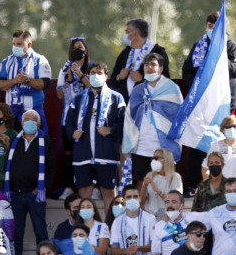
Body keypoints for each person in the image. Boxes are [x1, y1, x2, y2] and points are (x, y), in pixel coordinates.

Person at [64, 61, 126, 214]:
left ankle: (111, 230)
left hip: (106, 155)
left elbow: (124, 124)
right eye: (92, 73)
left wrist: (110, 130)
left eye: (99, 73)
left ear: (106, 77)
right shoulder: (79, 99)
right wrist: (72, 133)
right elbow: (68, 122)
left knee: (109, 192)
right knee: (84, 192)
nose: (95, 76)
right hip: (83, 154)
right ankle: (85, 230)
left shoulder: (116, 98)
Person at [4, 109, 55, 255]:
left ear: (39, 125)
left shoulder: (45, 141)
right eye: (27, 120)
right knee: (16, 234)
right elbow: (7, 164)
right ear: (21, 123)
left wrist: (41, 188)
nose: (30, 123)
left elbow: (51, 168)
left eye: (33, 121)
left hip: (35, 196)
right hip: (16, 196)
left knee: (41, 232)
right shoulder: (14, 140)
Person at [123, 53, 183, 181]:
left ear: (161, 69)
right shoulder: (137, 90)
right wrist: (129, 145)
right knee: (141, 184)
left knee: (167, 185)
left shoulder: (172, 89)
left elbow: (180, 119)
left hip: (165, 149)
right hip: (141, 148)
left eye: (153, 64)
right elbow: (129, 119)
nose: (149, 67)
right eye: (146, 64)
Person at [181, 11, 236, 111]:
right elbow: (186, 71)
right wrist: (198, 86)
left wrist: (220, 58)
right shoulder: (198, 47)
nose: (213, 28)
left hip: (224, 103)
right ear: (206, 27)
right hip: (201, 101)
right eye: (210, 25)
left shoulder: (231, 46)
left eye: (217, 26)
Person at [0, 29, 53, 134]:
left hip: (33, 111)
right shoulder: (6, 62)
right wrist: (14, 81)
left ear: (29, 44)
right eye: (14, 44)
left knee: (37, 144)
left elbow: (46, 84)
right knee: (12, 146)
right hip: (12, 113)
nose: (15, 47)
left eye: (19, 44)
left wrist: (27, 80)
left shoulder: (40, 60)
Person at [110, 184, 155, 255]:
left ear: (140, 198)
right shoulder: (117, 222)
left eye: (135, 196)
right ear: (124, 201)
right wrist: (126, 251)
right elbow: (114, 250)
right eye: (129, 197)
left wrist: (139, 248)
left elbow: (155, 246)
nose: (132, 199)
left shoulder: (150, 219)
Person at [111, 18, 171, 101]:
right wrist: (119, 77)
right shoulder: (125, 52)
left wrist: (142, 79)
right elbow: (114, 80)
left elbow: (164, 80)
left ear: (136, 32)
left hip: (147, 104)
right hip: (125, 105)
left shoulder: (158, 51)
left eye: (127, 32)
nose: (125, 35)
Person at [200, 116, 236, 184]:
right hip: (221, 190)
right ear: (223, 129)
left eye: (235, 126)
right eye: (228, 126)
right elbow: (205, 167)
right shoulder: (216, 146)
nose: (232, 129)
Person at [140, 148, 182, 220]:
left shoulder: (175, 177)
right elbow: (142, 201)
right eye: (153, 158)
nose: (154, 161)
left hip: (167, 216)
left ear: (166, 160)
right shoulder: (149, 175)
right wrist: (145, 186)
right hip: (149, 215)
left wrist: (157, 190)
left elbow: (175, 200)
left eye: (156, 158)